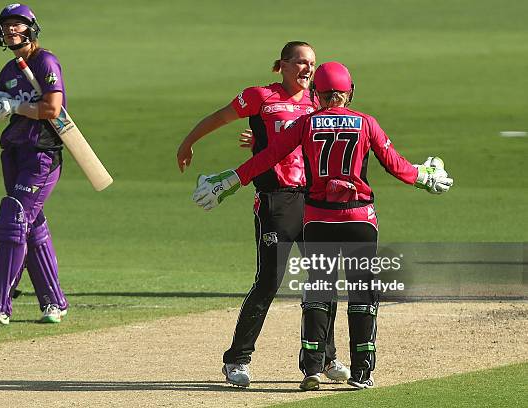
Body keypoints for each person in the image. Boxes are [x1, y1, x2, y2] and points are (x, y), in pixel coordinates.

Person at [191, 61, 453, 390]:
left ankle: (313, 367)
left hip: (317, 218)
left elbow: (267, 157)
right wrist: (425, 178)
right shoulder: (365, 123)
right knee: (362, 294)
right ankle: (361, 373)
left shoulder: (306, 123)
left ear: (317, 92)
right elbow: (397, 166)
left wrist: (229, 181)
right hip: (359, 218)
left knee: (318, 290)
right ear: (350, 92)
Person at [177, 42, 350, 388]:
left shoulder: (319, 101)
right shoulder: (260, 97)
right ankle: (236, 360)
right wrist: (188, 142)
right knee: (269, 281)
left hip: (313, 200)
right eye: (300, 62)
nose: (307, 69)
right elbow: (220, 116)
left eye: (312, 64)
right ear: (282, 65)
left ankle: (325, 357)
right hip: (275, 201)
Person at [0, 3, 68, 324]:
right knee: (32, 226)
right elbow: (2, 103)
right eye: (6, 25)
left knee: (13, 219)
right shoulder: (10, 70)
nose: (11, 30)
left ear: (31, 28)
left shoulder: (44, 61)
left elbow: (53, 109)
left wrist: (16, 105)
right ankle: (54, 302)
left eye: (18, 24)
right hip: (14, 151)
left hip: (42, 153)